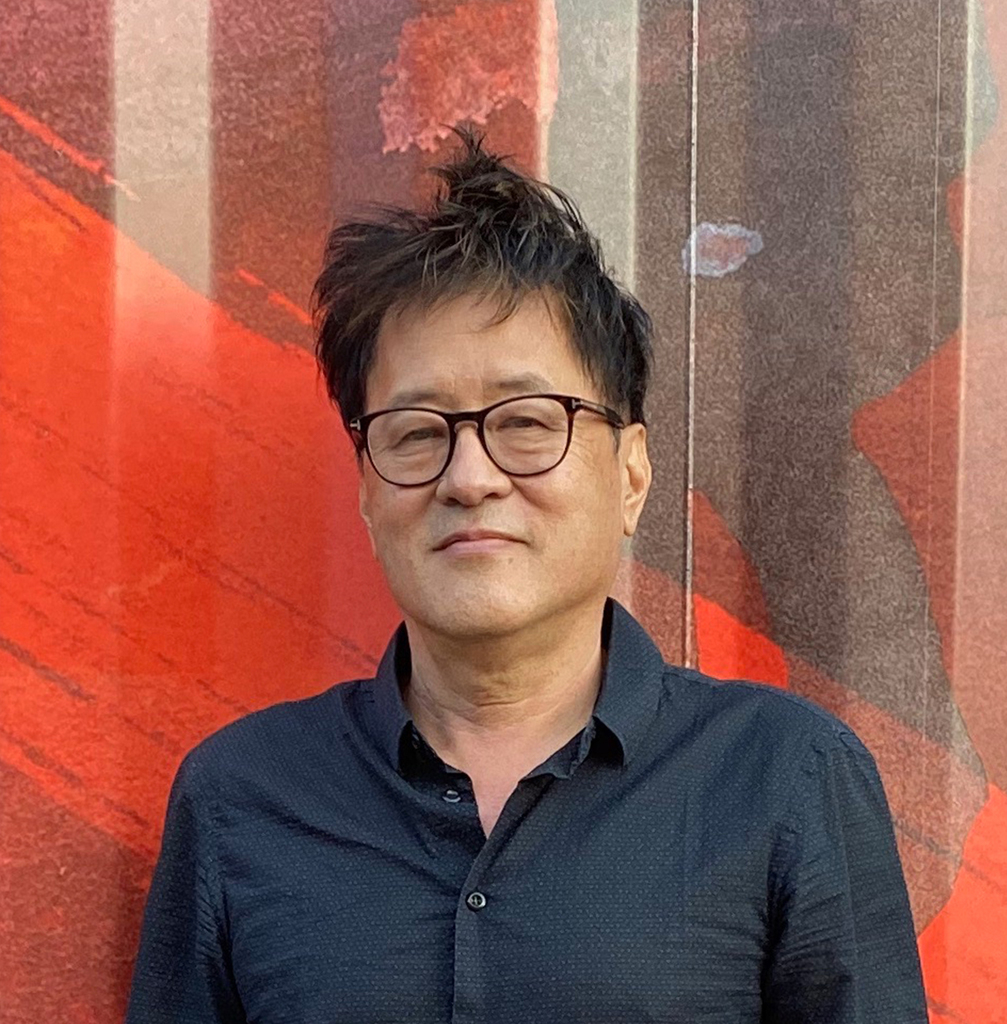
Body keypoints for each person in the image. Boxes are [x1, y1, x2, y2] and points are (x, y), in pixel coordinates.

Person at [123, 128, 927, 1023]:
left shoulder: (782, 777)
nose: (469, 478)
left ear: (630, 475)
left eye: (528, 422)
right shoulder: (240, 797)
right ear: (366, 491)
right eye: (416, 432)